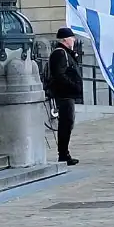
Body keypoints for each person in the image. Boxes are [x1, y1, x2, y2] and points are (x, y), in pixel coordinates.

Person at [46, 27, 82, 166]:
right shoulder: (60, 53)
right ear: (65, 39)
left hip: (67, 94)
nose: (73, 40)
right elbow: (60, 75)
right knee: (66, 124)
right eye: (71, 37)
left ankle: (65, 153)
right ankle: (63, 154)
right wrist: (73, 85)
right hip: (64, 94)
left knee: (68, 124)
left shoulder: (66, 53)